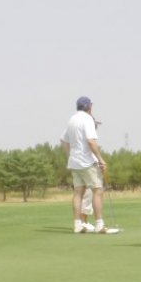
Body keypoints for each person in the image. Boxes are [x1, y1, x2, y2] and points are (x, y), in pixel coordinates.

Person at [60, 96, 110, 234]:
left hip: (75, 162)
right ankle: (99, 224)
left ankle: (77, 224)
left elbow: (64, 140)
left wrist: (70, 155)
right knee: (98, 190)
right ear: (89, 107)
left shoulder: (72, 120)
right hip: (87, 161)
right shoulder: (88, 119)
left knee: (78, 193)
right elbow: (91, 142)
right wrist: (100, 159)